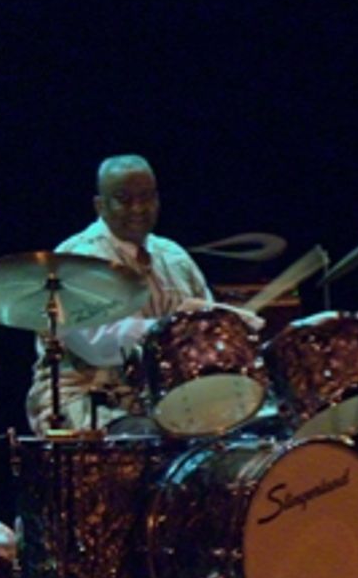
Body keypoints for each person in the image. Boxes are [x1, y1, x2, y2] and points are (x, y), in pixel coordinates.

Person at [25, 154, 250, 434]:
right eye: (124, 199)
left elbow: (207, 338)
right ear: (100, 205)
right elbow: (97, 347)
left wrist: (231, 328)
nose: (138, 208)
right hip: (88, 401)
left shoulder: (174, 257)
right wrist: (173, 328)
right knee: (154, 436)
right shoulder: (77, 260)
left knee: (250, 423)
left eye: (147, 197)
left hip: (163, 402)